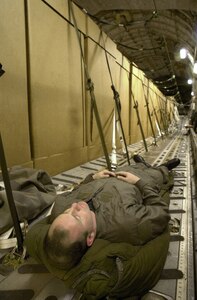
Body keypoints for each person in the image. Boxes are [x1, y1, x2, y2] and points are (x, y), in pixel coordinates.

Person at [40, 155, 180, 270]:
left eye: (67, 212)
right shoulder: (126, 222)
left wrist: (93, 178)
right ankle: (164, 167)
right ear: (90, 237)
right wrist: (139, 182)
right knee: (157, 173)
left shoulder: (59, 208)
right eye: (77, 217)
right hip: (143, 178)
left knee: (134, 165)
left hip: (117, 172)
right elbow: (161, 213)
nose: (74, 206)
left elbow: (70, 193)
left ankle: (142, 163)